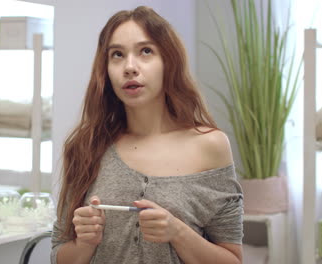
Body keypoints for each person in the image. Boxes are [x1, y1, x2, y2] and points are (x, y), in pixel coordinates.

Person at [51, 6, 243, 264]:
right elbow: (59, 256)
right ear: (105, 69)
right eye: (117, 55)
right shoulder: (85, 146)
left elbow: (233, 261)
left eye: (146, 51)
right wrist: (85, 243)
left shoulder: (210, 145)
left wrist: (177, 232)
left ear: (168, 62)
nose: (130, 67)